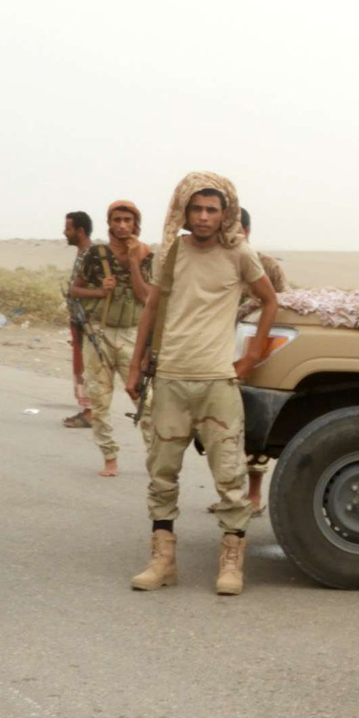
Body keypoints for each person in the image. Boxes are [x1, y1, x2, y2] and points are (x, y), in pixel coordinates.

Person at [126, 172, 279, 596]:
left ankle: (231, 563)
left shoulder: (240, 254)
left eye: (212, 209)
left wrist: (251, 356)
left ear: (225, 212)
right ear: (184, 211)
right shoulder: (172, 252)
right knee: (162, 472)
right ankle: (162, 559)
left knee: (229, 476)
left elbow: (270, 300)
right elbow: (151, 308)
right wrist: (136, 366)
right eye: (197, 208)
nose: (204, 216)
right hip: (172, 377)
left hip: (217, 381)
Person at [208, 207, 286, 515]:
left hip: (252, 352)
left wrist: (256, 354)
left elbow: (279, 305)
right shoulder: (214, 261)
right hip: (217, 350)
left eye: (239, 229)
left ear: (248, 231)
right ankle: (230, 494)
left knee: (252, 428)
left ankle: (253, 496)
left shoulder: (266, 265)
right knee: (219, 431)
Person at [69, 201, 153, 475]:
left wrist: (133, 263)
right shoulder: (96, 254)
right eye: (116, 219)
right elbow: (75, 290)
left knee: (146, 400)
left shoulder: (145, 253)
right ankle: (109, 457)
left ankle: (157, 460)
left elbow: (146, 297)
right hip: (99, 333)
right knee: (99, 399)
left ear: (135, 223)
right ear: (109, 223)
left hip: (132, 334)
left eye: (127, 220)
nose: (122, 225)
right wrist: (100, 292)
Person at [62, 211, 95, 428]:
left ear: (80, 231)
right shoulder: (83, 254)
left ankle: (91, 413)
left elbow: (97, 290)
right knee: (82, 367)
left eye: (68, 228)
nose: (65, 232)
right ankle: (87, 410)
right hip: (79, 321)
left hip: (88, 322)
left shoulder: (91, 256)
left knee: (90, 367)